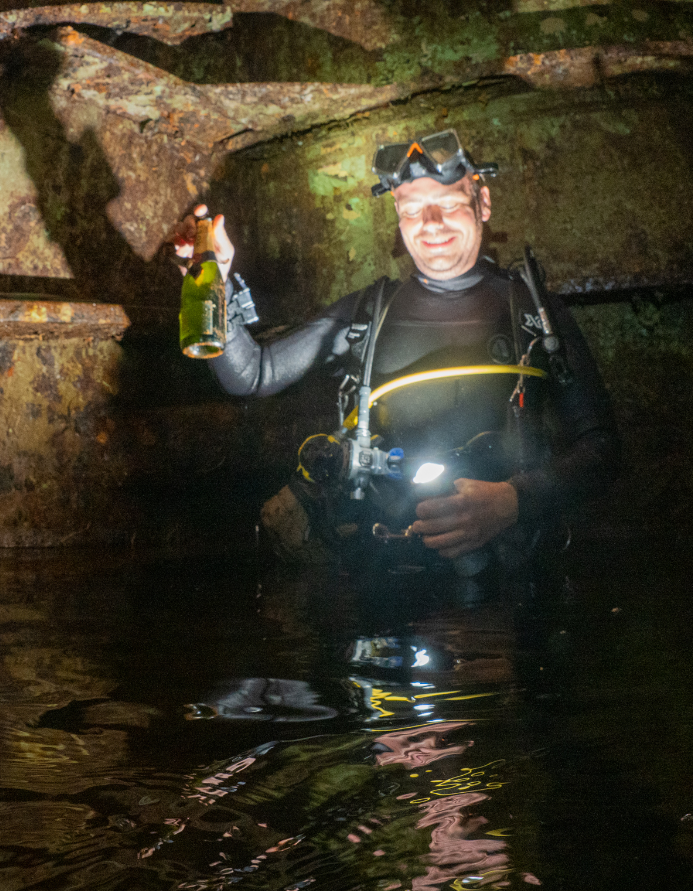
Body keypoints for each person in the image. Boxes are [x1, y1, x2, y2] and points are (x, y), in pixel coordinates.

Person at [172, 130, 619, 570]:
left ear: (482, 203)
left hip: (508, 586)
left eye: (448, 204)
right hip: (388, 579)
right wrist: (219, 282)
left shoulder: (533, 311)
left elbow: (601, 450)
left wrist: (513, 501)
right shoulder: (370, 311)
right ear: (397, 215)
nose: (431, 223)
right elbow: (251, 375)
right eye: (412, 209)